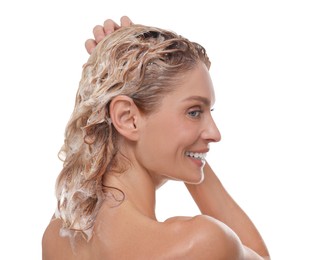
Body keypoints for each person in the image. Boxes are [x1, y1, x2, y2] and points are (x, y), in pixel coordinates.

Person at [42, 16, 270, 259]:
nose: (214, 133)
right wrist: (191, 155)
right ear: (127, 118)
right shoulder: (200, 244)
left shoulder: (58, 235)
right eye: (194, 112)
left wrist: (110, 74)